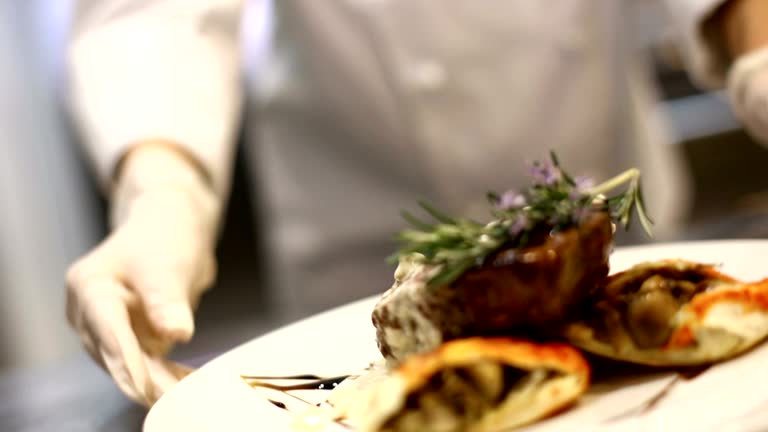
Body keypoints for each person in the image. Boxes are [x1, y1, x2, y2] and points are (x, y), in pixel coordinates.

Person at [64, 0, 768, 407]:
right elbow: (150, 15)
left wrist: (757, 51)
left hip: (607, 237)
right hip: (346, 261)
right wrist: (161, 194)